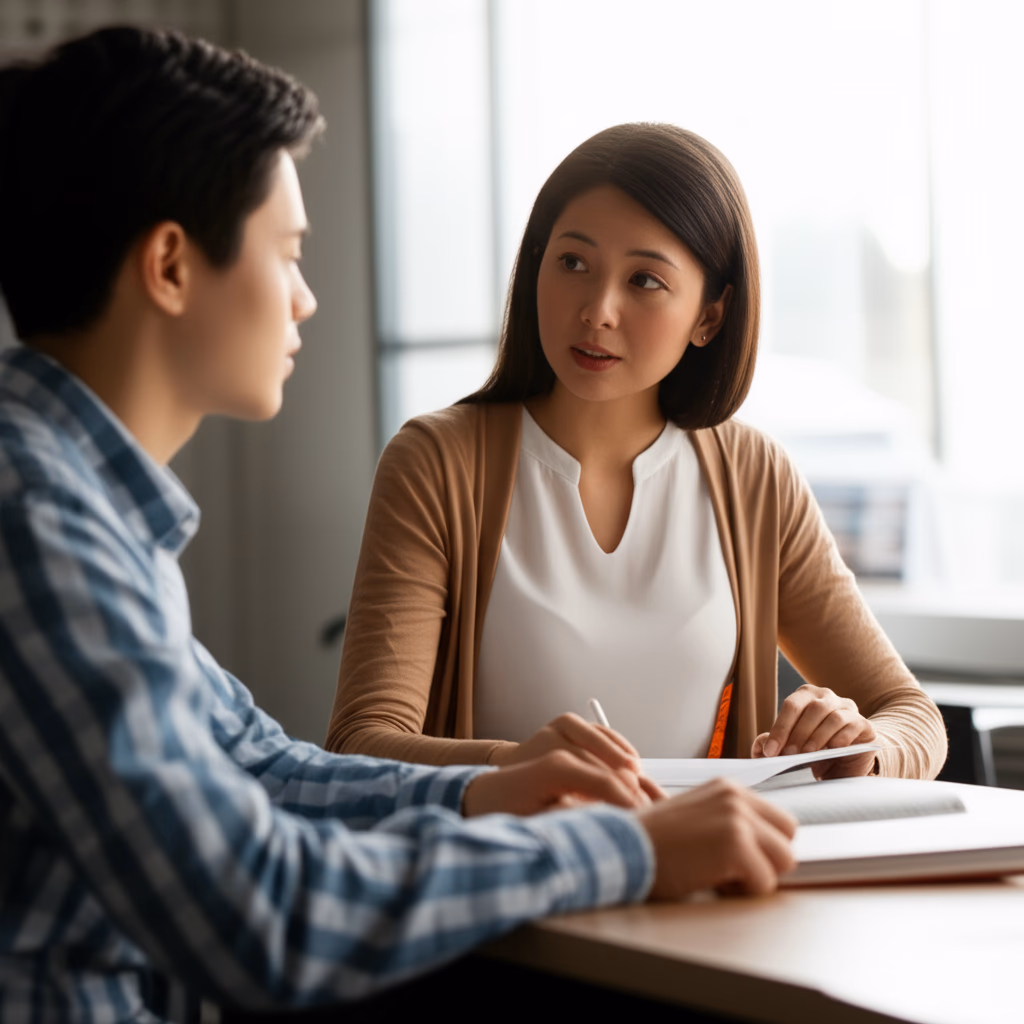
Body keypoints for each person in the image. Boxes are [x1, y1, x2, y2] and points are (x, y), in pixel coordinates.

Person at [0, 27, 799, 1022]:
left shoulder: (84, 505)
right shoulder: (35, 521)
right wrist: (623, 848)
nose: (306, 297)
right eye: (287, 253)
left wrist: (485, 788)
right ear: (170, 264)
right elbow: (261, 914)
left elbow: (258, 763)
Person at [327, 123, 947, 781]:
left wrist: (862, 746)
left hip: (709, 873)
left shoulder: (754, 478)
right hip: (516, 871)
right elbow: (362, 743)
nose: (597, 310)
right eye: (572, 263)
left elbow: (911, 714)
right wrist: (517, 769)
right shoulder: (438, 463)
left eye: (645, 280)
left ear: (710, 315)